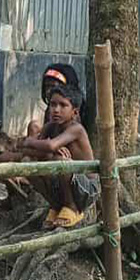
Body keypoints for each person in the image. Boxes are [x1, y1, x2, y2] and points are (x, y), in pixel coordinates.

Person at [18, 85, 97, 229]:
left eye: (63, 105)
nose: (56, 109)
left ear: (74, 112)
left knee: (61, 162)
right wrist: (45, 149)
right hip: (64, 186)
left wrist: (30, 141)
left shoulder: (76, 129)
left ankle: (72, 208)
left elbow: (50, 146)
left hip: (86, 190)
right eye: (53, 104)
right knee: (27, 163)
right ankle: (56, 206)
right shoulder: (50, 127)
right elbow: (29, 152)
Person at [27, 63, 83, 137]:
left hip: (63, 143)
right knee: (33, 126)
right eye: (47, 86)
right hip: (54, 143)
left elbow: (54, 143)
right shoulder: (50, 109)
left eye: (53, 86)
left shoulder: (74, 115)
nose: (48, 91)